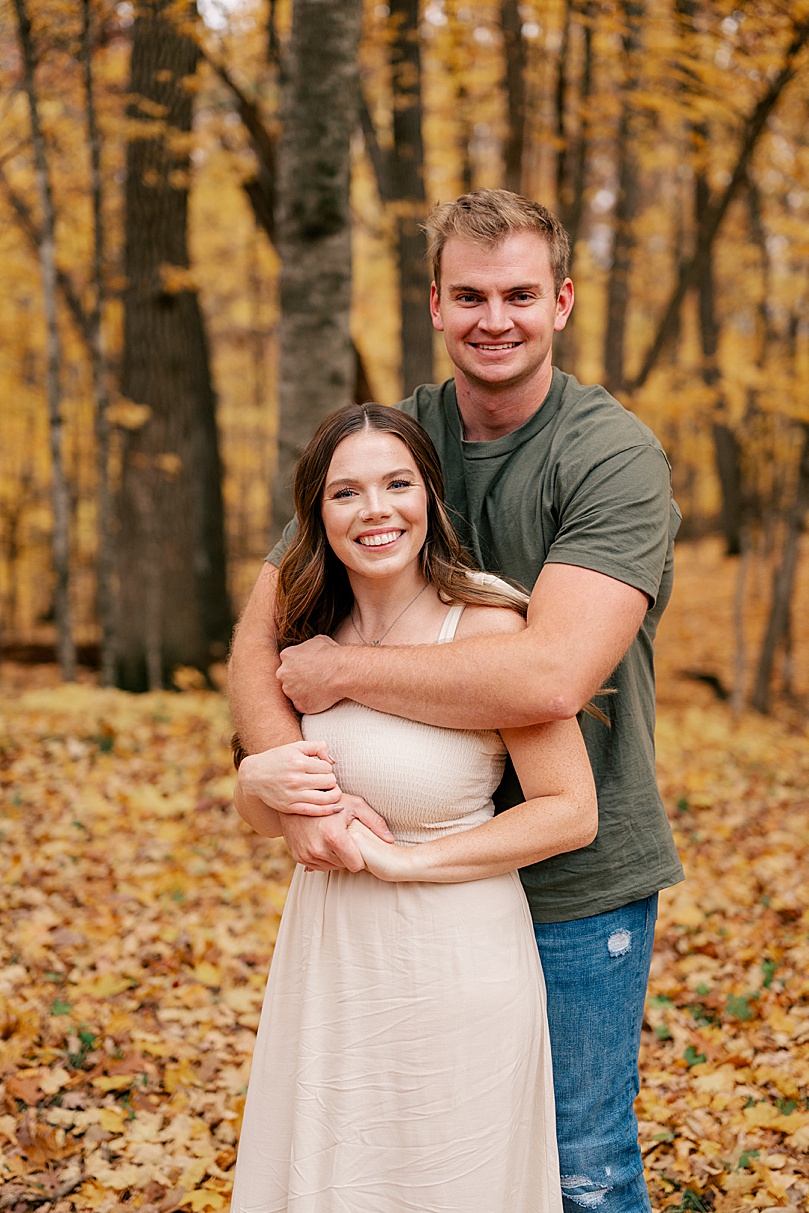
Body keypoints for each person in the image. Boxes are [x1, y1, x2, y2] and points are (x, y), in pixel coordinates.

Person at [229, 189, 685, 1213]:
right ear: (433, 304)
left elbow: (548, 676)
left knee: (578, 1164)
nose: (494, 318)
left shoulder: (609, 456)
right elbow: (263, 634)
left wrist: (342, 673)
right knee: (402, 1156)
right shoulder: (392, 445)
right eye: (469, 294)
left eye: (519, 294)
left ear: (559, 302)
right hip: (392, 888)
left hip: (577, 868)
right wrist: (295, 785)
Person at [229, 403, 598, 1212]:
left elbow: (570, 809)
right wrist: (254, 788)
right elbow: (281, 810)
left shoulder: (489, 620)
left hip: (454, 961)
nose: (375, 511)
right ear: (314, 515)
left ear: (429, 495)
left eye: (396, 484)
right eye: (345, 493)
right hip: (328, 954)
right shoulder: (305, 632)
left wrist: (409, 860)